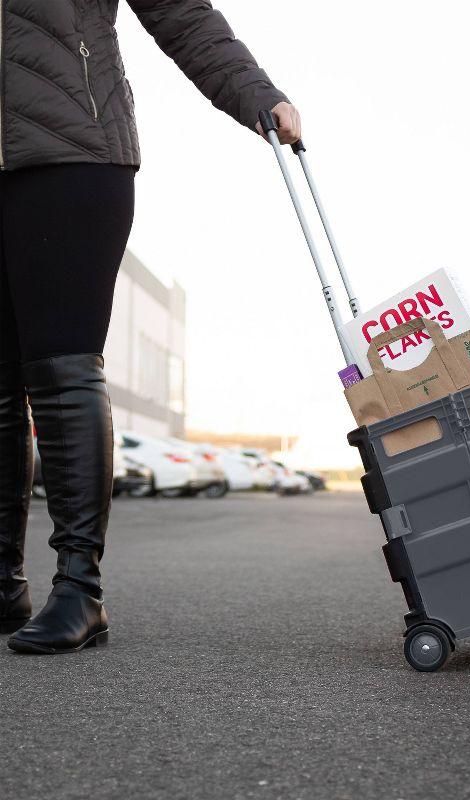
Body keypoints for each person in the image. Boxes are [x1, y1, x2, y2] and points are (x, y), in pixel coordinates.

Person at [0, 0, 300, 654]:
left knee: (60, 367)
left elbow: (182, 13)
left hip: (71, 152)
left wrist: (254, 92)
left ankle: (80, 591)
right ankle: (4, 586)